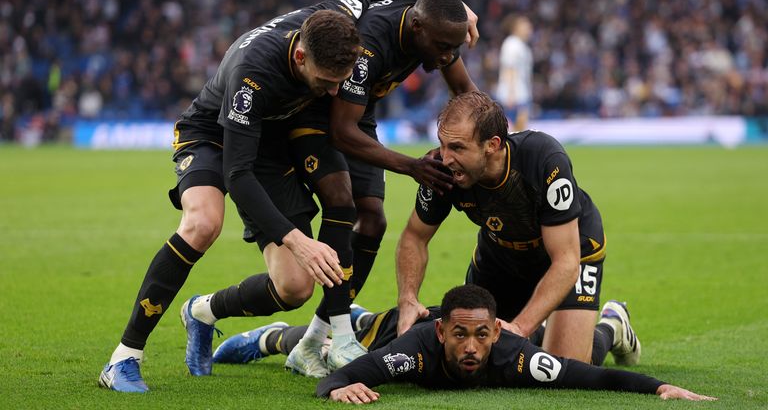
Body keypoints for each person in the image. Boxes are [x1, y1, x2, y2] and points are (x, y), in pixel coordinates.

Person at [98, 0, 444, 393]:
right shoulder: (254, 74)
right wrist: (298, 240)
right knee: (203, 223)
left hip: (271, 140)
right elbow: (237, 174)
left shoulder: (338, 16)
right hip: (214, 135)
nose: (335, 91)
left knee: (295, 287)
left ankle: (203, 312)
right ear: (300, 56)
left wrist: (447, 0)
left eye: (343, 80)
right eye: (327, 81)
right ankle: (124, 358)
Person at [282, 0, 478, 377]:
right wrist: (411, 166)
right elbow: (340, 131)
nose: (445, 57)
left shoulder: (437, 34)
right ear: (417, 27)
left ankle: (312, 342)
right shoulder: (369, 45)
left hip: (358, 117)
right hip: (318, 115)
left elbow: (466, 94)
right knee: (343, 205)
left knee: (373, 222)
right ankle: (337, 336)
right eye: (441, 47)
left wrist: (498, 144)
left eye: (452, 49)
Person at [397, 91, 619, 366]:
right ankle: (539, 330)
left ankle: (611, 326)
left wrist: (520, 328)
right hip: (500, 257)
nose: (445, 158)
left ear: (492, 144)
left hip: (571, 250)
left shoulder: (544, 160)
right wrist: (408, 298)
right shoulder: (442, 172)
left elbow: (566, 261)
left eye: (457, 147)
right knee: (472, 353)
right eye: (442, 145)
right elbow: (414, 237)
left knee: (559, 366)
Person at [210, 285, 715, 403]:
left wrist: (660, 389)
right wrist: (338, 390)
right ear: (442, 333)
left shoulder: (513, 355)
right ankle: (270, 336)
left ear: (496, 333)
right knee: (339, 348)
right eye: (460, 336)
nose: (471, 347)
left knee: (573, 356)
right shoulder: (414, 350)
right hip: (392, 328)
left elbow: (594, 379)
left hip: (475, 321)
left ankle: (611, 320)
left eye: (481, 335)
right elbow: (341, 379)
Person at [496, 15, 533, 132]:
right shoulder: (512, 44)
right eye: (525, 25)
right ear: (516, 27)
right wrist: (511, 93)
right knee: (516, 129)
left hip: (521, 91)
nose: (529, 28)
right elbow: (509, 69)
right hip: (515, 93)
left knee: (519, 129)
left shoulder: (521, 45)